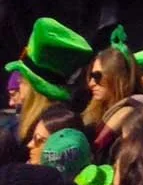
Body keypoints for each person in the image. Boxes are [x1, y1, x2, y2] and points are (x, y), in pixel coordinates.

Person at [5, 19, 91, 153]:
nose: (19, 91)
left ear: (34, 87)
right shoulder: (29, 120)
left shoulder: (46, 127)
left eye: (21, 83)